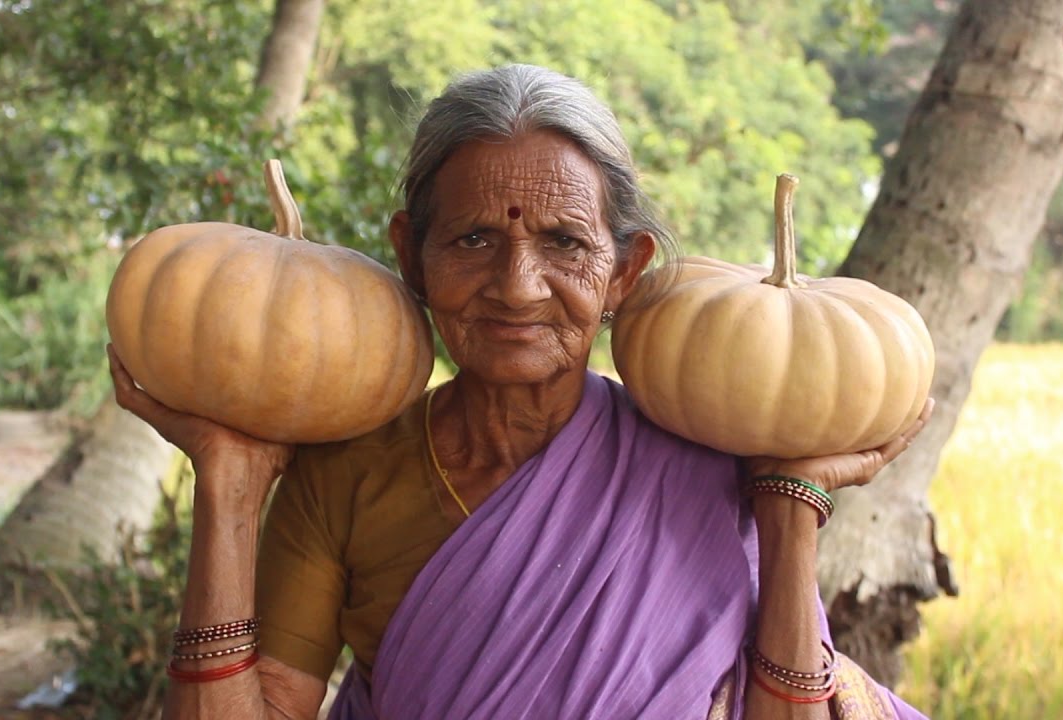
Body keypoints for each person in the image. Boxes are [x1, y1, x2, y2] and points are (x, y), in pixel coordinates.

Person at [108, 64, 933, 720]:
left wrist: (788, 511)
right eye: (473, 239)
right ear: (411, 255)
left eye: (566, 243)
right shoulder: (345, 474)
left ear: (624, 271)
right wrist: (228, 484)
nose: (519, 286)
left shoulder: (704, 454)